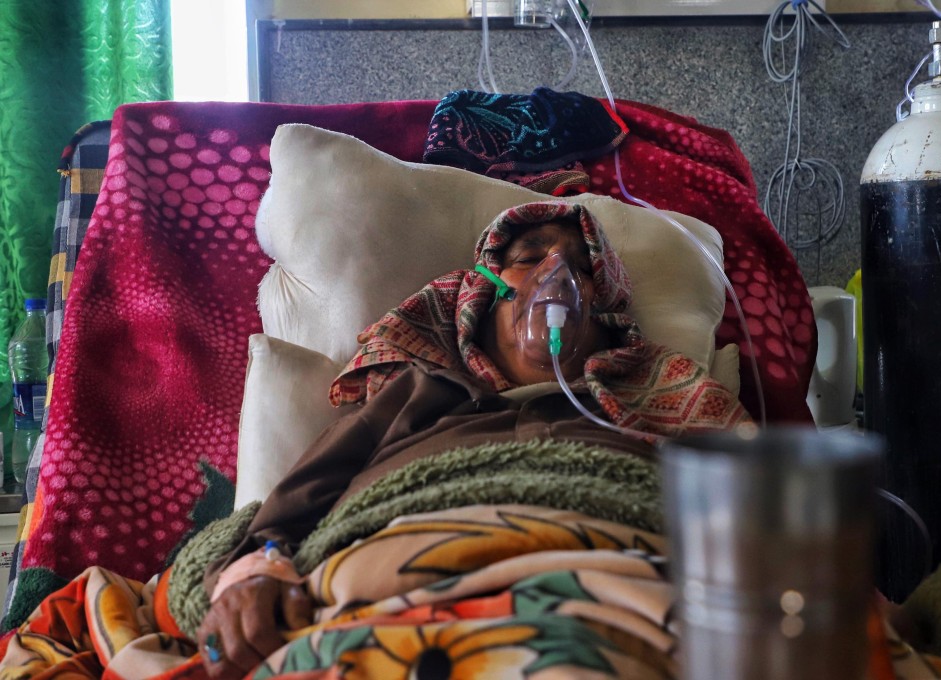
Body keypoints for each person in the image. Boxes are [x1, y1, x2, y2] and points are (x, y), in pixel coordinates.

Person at [192, 200, 751, 679]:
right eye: (529, 258)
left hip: (615, 567)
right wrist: (253, 571)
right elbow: (299, 500)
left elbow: (753, 506)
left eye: (579, 269)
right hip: (394, 566)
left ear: (602, 310)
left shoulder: (660, 398)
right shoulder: (416, 392)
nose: (553, 274)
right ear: (479, 297)